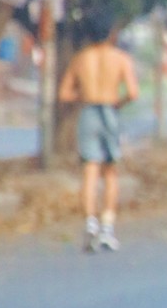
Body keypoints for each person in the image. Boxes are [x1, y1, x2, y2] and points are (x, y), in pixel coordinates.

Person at [58, 27, 139, 250]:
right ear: (111, 34)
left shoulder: (81, 59)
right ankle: (107, 229)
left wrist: (84, 94)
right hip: (110, 112)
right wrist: (117, 103)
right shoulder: (120, 58)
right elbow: (133, 92)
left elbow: (64, 93)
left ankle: (90, 225)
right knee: (110, 171)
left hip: (88, 112)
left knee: (90, 170)